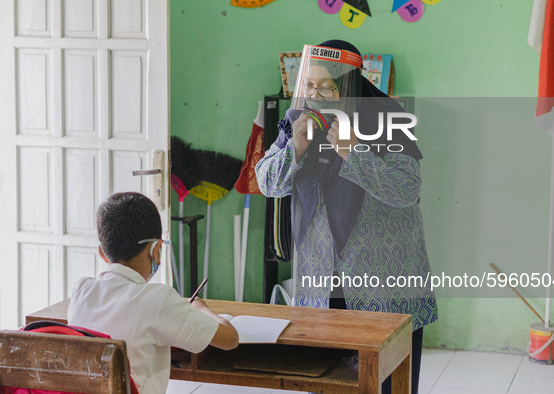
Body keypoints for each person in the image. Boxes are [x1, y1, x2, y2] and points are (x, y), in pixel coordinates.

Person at [255, 40, 437, 394]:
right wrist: (296, 148)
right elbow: (268, 184)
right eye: (309, 85)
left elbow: (407, 188)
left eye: (327, 87)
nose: (316, 95)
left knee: (386, 378)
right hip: (322, 280)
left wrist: (356, 152)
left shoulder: (385, 117)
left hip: (382, 279)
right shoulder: (297, 121)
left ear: (350, 85)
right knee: (327, 377)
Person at [68, 192, 238, 394]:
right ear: (156, 249)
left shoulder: (82, 290)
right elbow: (230, 339)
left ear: (102, 253)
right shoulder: (158, 300)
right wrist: (202, 308)